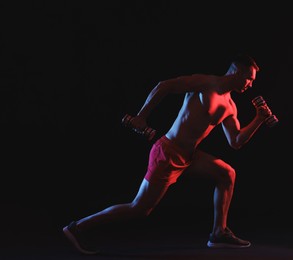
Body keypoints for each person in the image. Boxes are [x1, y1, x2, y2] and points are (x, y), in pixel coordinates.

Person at [63, 53, 275, 254]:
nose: (250, 84)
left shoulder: (230, 106)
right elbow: (164, 86)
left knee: (227, 174)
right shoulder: (205, 83)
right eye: (248, 78)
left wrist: (258, 119)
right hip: (168, 152)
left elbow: (236, 142)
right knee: (139, 208)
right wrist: (141, 116)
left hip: (190, 156)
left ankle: (218, 232)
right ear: (235, 71)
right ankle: (77, 227)